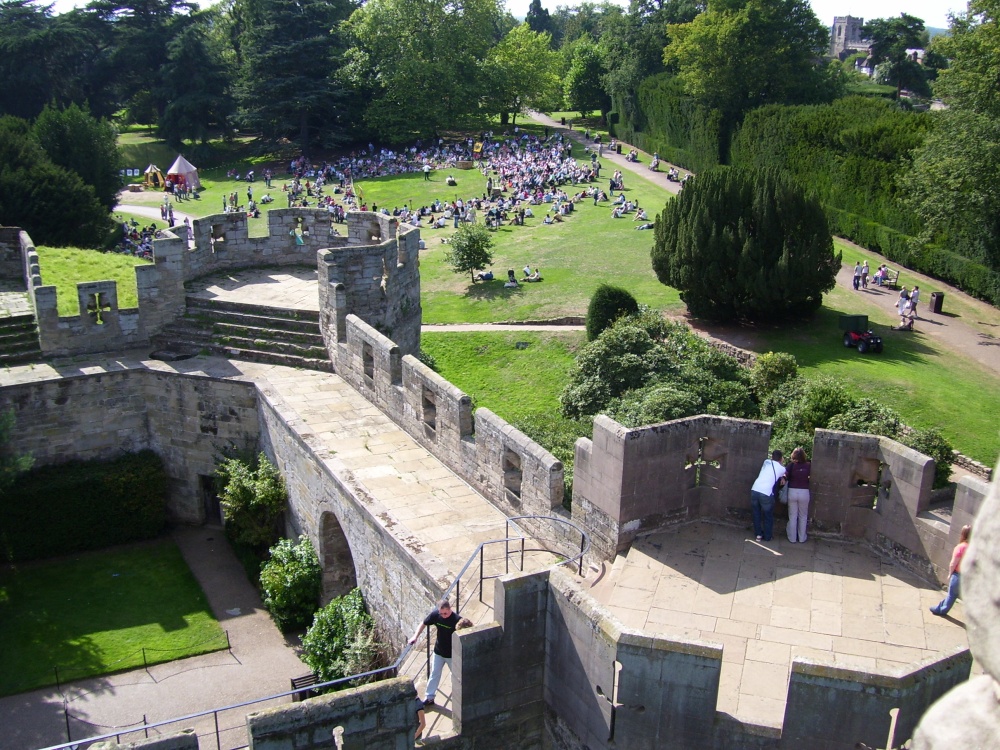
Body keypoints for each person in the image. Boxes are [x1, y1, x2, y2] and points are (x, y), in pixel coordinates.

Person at [408, 599, 473, 706]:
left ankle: (460, 698)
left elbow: (467, 633)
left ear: (450, 609)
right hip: (438, 651)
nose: (443, 615)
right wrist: (415, 636)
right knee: (434, 673)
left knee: (456, 676)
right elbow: (424, 623)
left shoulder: (457, 620)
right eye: (441, 613)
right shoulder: (436, 615)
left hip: (452, 654)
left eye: (445, 613)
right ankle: (429, 697)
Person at [931, 525, 971, 616]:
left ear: (963, 534)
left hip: (958, 575)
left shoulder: (960, 547)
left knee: (951, 595)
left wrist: (950, 573)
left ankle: (941, 610)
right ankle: (939, 607)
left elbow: (953, 563)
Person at [750, 450, 785, 542]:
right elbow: (783, 473)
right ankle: (768, 536)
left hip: (755, 489)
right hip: (766, 493)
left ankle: (758, 535)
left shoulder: (766, 462)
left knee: (756, 513)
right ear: (781, 458)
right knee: (768, 515)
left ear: (772, 457)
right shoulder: (782, 469)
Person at [785, 447, 811, 543]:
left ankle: (792, 538)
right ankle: (802, 538)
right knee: (803, 516)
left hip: (792, 491)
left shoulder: (791, 465)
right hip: (804, 492)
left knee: (792, 516)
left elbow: (785, 475)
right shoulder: (808, 465)